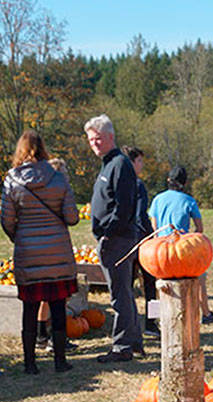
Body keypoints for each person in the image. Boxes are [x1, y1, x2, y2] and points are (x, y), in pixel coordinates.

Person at [0, 130, 80, 374]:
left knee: (30, 307)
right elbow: (72, 217)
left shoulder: (12, 180)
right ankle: (59, 360)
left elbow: (6, 220)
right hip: (58, 252)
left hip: (28, 252)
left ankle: (30, 363)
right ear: (44, 148)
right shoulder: (58, 178)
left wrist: (20, 237)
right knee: (57, 306)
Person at [84, 114, 142, 363]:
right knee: (125, 293)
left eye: (98, 138)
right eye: (90, 140)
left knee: (119, 294)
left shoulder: (120, 164)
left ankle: (122, 347)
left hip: (117, 240)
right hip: (113, 239)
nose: (94, 143)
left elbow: (124, 205)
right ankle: (134, 342)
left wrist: (109, 234)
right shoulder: (108, 163)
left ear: (110, 137)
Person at [149, 165, 213, 324]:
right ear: (184, 183)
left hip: (160, 251)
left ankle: (154, 318)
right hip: (182, 250)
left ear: (168, 180)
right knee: (200, 279)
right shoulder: (189, 200)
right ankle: (206, 313)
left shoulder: (157, 199)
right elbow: (199, 229)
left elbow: (154, 228)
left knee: (156, 285)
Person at [122, 145, 159, 336]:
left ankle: (129, 324)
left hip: (123, 241)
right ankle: (152, 324)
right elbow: (141, 215)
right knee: (151, 285)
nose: (142, 165)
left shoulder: (119, 183)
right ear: (133, 162)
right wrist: (151, 235)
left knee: (127, 286)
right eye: (140, 161)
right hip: (141, 241)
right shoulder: (138, 185)